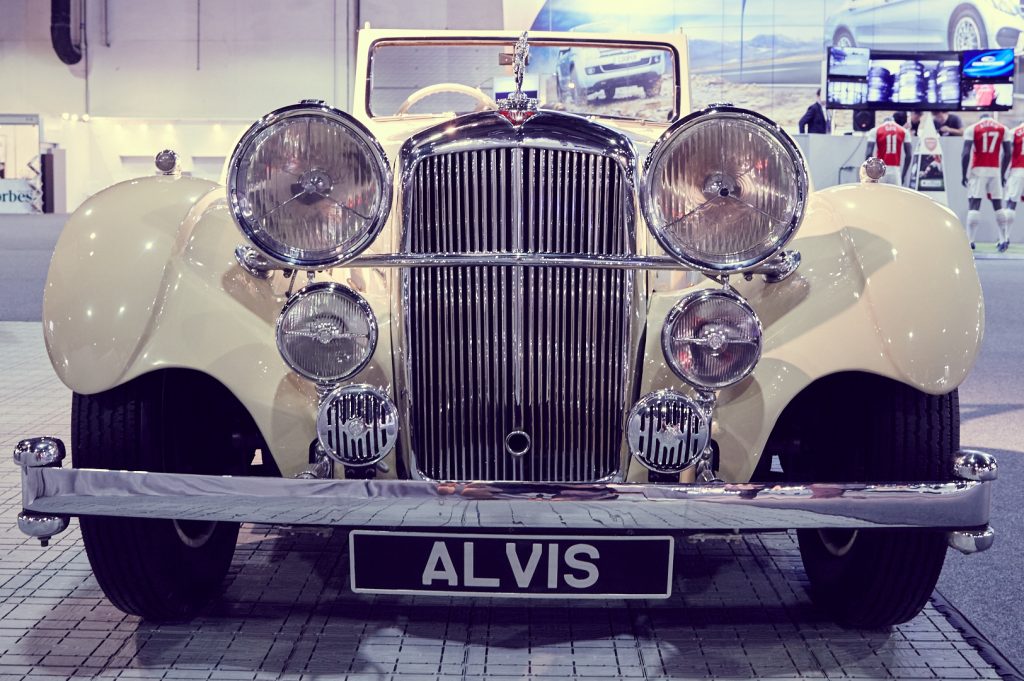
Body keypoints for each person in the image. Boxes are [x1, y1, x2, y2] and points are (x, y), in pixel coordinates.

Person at [962, 114, 1012, 249]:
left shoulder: (973, 128)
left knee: (974, 203)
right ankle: (1003, 239)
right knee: (998, 205)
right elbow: (1008, 153)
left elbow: (966, 153)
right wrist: (1001, 174)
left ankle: (969, 240)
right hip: (994, 170)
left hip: (978, 169)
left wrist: (964, 174)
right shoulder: (1003, 128)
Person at [865, 116, 911, 185]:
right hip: (895, 170)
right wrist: (903, 175)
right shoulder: (903, 131)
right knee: (895, 195)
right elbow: (909, 155)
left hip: (880, 169)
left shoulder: (875, 130)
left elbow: (868, 153)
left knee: (878, 194)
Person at [1000, 121, 1024, 252]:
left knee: (1011, 204)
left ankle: (1005, 237)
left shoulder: (1015, 132)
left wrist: (1002, 173)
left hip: (1018, 171)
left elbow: (1007, 153)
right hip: (1017, 170)